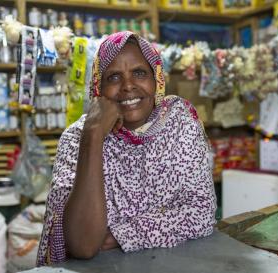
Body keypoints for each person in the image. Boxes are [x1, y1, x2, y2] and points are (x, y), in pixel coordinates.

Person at [37, 31, 217, 266]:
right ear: (98, 87)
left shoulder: (180, 123)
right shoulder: (76, 137)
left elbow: (201, 214)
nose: (128, 86)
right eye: (113, 77)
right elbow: (82, 245)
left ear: (156, 79)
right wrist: (93, 135)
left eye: (139, 73)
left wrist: (125, 234)